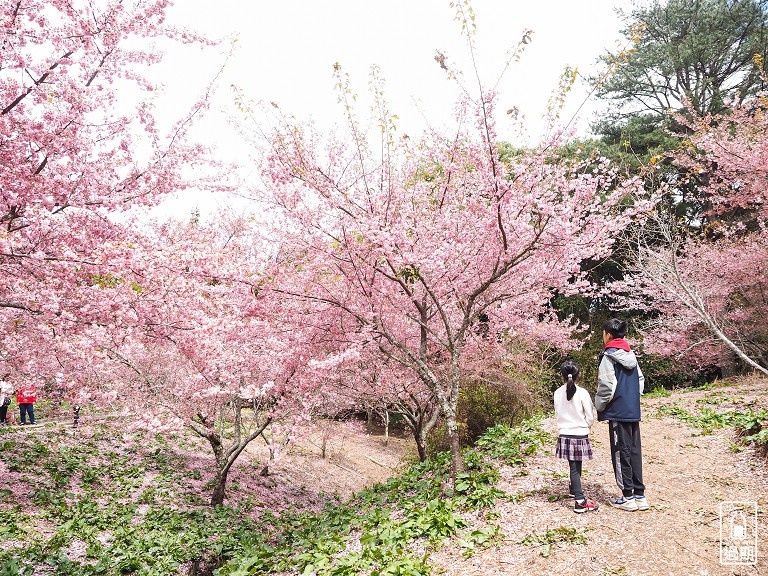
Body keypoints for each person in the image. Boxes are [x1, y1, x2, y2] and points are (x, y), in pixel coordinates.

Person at [595, 318, 648, 512]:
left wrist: (599, 405)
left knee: (620, 452)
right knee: (634, 450)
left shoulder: (608, 356)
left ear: (608, 335)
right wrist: (632, 399)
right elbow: (640, 381)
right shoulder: (630, 355)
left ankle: (627, 496)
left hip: (618, 411)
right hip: (632, 410)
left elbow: (607, 386)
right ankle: (639, 495)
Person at [554, 360, 599, 513]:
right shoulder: (582, 393)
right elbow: (590, 416)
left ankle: (574, 488)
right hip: (579, 433)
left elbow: (558, 413)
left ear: (562, 376)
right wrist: (586, 425)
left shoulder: (557, 392)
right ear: (578, 375)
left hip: (565, 433)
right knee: (574, 467)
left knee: (575, 464)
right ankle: (579, 501)